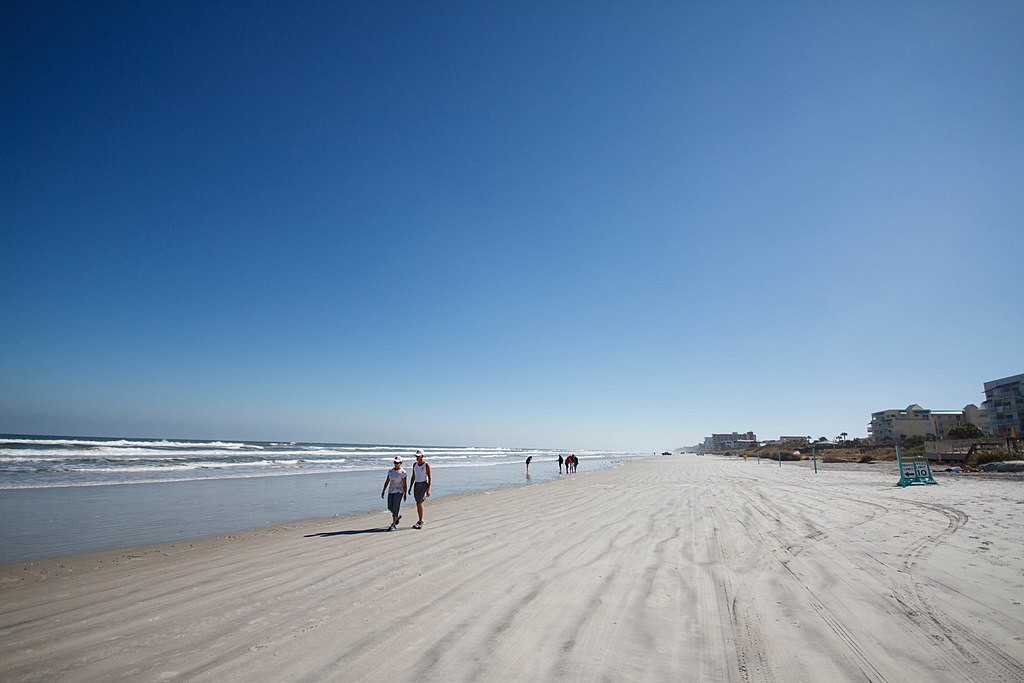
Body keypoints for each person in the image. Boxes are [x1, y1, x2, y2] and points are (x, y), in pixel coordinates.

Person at [381, 456, 407, 531]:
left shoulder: (403, 472)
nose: (396, 464)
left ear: (401, 463)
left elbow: (405, 484)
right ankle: (397, 516)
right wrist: (383, 491)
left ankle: (393, 524)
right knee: (390, 507)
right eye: (395, 462)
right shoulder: (391, 471)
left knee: (396, 507)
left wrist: (405, 494)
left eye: (397, 463)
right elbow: (387, 481)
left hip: (399, 491)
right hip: (391, 491)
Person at [407, 449, 431, 529]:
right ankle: (420, 519)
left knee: (420, 502)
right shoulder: (415, 465)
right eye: (416, 456)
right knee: (417, 502)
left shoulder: (426, 465)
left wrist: (428, 489)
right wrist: (410, 487)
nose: (417, 458)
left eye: (418, 456)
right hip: (416, 484)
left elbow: (430, 477)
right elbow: (413, 476)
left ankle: (421, 520)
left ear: (422, 456)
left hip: (423, 484)